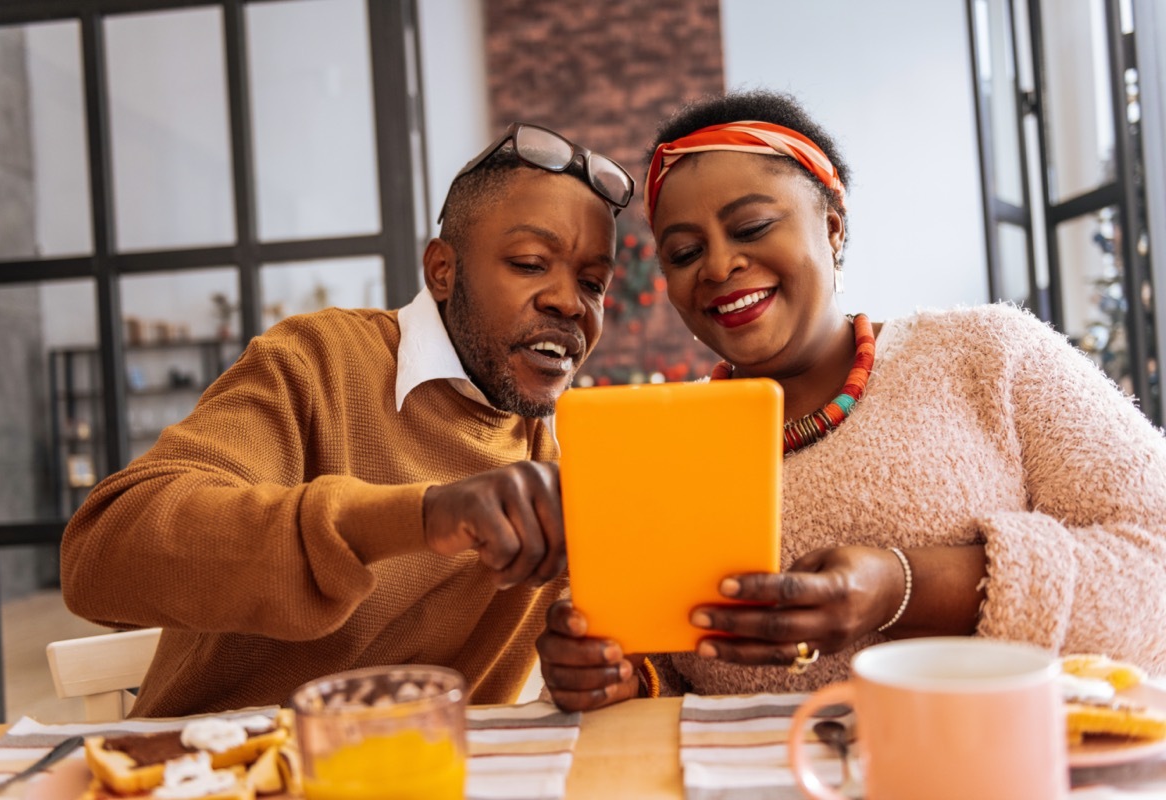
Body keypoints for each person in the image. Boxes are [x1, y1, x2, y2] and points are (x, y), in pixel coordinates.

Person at [536, 89, 1166, 711]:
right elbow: (666, 672)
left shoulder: (988, 353)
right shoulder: (665, 444)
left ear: (833, 227)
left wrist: (903, 587)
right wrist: (619, 677)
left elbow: (1153, 561)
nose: (720, 266)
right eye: (685, 253)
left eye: (751, 227)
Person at [61, 122, 633, 717]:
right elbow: (101, 555)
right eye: (530, 263)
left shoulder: (568, 451)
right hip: (219, 759)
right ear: (442, 271)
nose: (570, 302)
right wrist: (423, 516)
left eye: (593, 283)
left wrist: (609, 672)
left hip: (425, 764)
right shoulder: (318, 361)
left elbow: (630, 639)